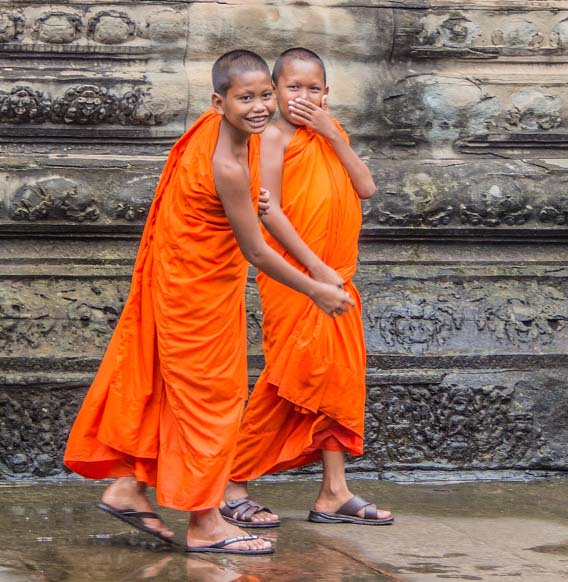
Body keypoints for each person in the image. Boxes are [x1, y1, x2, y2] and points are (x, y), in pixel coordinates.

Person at [62, 49, 354, 555]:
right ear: (218, 102)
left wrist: (257, 199)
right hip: (196, 292)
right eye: (247, 98)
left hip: (182, 278)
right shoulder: (228, 164)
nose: (262, 107)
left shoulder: (214, 131)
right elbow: (257, 249)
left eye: (266, 95)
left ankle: (130, 487)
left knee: (171, 393)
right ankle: (205, 523)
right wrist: (316, 288)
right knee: (212, 402)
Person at [219, 48, 391, 528]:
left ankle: (334, 492)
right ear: (275, 94)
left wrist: (334, 136)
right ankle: (230, 484)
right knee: (289, 382)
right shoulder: (272, 137)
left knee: (337, 383)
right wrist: (315, 270)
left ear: (327, 94)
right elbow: (267, 211)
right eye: (293, 88)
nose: (304, 97)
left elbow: (367, 187)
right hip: (301, 280)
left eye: (313, 88)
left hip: (339, 278)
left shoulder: (332, 135)